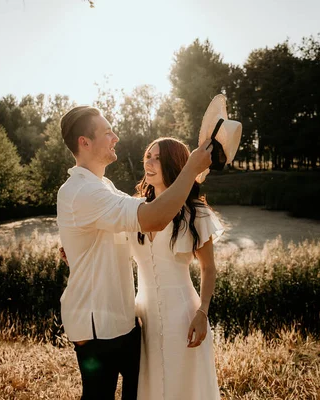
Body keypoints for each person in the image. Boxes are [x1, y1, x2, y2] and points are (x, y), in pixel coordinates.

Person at [56, 105, 214, 400]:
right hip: (96, 327)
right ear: (84, 142)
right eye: (107, 132)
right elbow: (153, 218)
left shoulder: (105, 187)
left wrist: (76, 250)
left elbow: (115, 234)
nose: (115, 137)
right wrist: (191, 168)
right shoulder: (82, 191)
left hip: (127, 322)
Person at [129, 137, 223, 400]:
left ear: (174, 164)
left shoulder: (196, 213)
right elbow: (110, 250)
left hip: (183, 316)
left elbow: (209, 268)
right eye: (148, 155)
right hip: (141, 317)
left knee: (185, 387)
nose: (149, 161)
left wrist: (202, 312)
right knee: (149, 387)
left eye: (158, 157)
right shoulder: (134, 210)